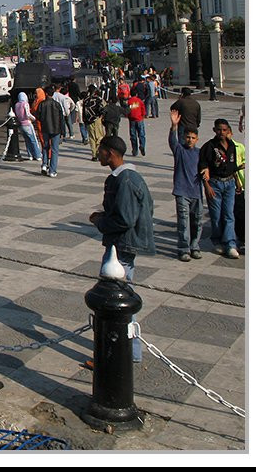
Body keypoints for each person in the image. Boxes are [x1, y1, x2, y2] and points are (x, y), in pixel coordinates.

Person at [89, 136, 154, 363]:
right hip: (120, 243)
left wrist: (100, 221)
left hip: (121, 246)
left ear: (111, 153)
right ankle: (126, 352)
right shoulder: (126, 177)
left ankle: (122, 353)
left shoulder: (125, 180)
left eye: (101, 150)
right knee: (121, 297)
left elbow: (125, 218)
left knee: (118, 299)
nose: (98, 154)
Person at [198, 119, 239, 259]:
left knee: (228, 214)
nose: (222, 132)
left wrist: (237, 182)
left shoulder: (232, 145)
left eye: (224, 130)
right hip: (214, 184)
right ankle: (217, 241)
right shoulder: (208, 147)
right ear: (214, 130)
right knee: (216, 215)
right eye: (219, 130)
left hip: (229, 183)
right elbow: (203, 169)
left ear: (228, 130)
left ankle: (230, 244)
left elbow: (233, 167)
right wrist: (207, 186)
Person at [168, 110, 203, 261]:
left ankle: (194, 246)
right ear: (183, 137)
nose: (189, 140)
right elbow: (172, 141)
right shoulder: (179, 150)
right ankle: (184, 249)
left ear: (197, 139)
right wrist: (173, 126)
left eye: (192, 138)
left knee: (197, 221)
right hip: (182, 191)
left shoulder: (200, 153)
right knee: (183, 222)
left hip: (196, 192)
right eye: (187, 137)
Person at [35, 85, 65, 178]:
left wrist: (43, 121)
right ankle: (52, 171)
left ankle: (44, 165)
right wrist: (63, 132)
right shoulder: (57, 104)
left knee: (45, 147)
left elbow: (38, 116)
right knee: (55, 150)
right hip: (56, 129)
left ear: (46, 94)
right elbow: (61, 119)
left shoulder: (42, 104)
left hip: (45, 128)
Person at [13, 91, 42, 160]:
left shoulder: (17, 105)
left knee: (27, 140)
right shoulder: (25, 104)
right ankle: (38, 155)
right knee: (33, 140)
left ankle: (30, 155)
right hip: (27, 124)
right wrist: (34, 118)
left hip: (21, 124)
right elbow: (28, 114)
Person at [83, 84, 105, 161]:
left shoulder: (85, 100)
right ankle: (99, 152)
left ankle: (94, 155)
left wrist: (85, 120)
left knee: (91, 138)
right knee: (99, 137)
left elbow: (84, 111)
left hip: (89, 121)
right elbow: (103, 108)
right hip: (97, 120)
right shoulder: (99, 99)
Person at [126, 91, 147, 157]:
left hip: (132, 120)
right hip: (139, 119)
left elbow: (127, 111)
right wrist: (143, 116)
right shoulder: (139, 101)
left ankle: (135, 150)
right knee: (141, 134)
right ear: (136, 94)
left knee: (133, 136)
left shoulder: (129, 102)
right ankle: (142, 145)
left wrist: (128, 117)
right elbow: (143, 109)